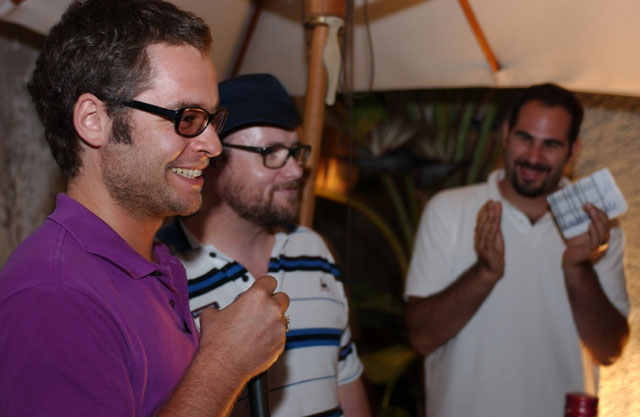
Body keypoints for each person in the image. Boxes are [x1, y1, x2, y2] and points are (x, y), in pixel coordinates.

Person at [0, 1, 289, 416]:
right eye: (187, 117)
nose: (213, 144)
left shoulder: (152, 264)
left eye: (212, 119)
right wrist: (224, 364)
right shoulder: (54, 295)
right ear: (94, 120)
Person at [404, 83, 630, 417]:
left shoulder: (598, 225)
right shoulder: (448, 210)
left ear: (573, 151)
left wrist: (579, 269)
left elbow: (609, 350)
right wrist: (484, 273)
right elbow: (421, 337)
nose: (534, 157)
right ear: (506, 134)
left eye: (551, 145)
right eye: (525, 138)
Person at [157, 73, 372, 417]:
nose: (296, 171)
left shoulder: (313, 250)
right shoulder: (159, 273)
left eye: (295, 152)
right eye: (271, 152)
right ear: (212, 157)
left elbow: (345, 379)